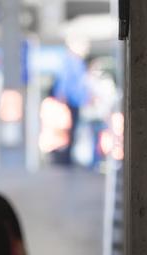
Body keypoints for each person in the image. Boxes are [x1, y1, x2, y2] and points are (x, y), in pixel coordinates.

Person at [51, 36, 90, 166]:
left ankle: (66, 158)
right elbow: (64, 82)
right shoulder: (69, 61)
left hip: (74, 101)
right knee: (67, 130)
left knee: (72, 130)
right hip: (69, 102)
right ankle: (63, 159)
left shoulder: (76, 62)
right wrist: (62, 98)